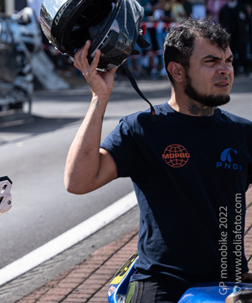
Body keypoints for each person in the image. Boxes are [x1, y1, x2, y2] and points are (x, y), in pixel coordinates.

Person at [65, 18, 252, 302]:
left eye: (228, 60)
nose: (225, 70)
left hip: (229, 281)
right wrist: (99, 98)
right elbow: (78, 182)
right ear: (177, 71)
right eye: (211, 61)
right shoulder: (142, 128)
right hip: (161, 281)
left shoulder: (243, 133)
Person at [220, 0, 249, 75]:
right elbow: (222, 21)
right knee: (231, 52)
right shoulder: (224, 9)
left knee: (242, 52)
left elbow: (246, 19)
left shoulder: (241, 7)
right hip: (229, 35)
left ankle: (246, 69)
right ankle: (234, 70)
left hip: (240, 34)